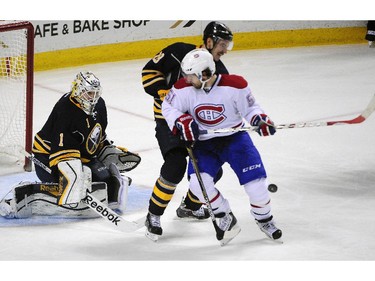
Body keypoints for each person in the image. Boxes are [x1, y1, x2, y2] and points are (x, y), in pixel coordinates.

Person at [161, 49, 282, 245]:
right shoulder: (183, 88)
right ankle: (223, 213)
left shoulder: (235, 85)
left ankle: (265, 219)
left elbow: (250, 109)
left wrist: (259, 120)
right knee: (198, 185)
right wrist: (180, 120)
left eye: (191, 75)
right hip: (203, 144)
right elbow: (167, 107)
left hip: (235, 139)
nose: (186, 79)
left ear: (205, 74)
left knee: (256, 186)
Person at [0, 71, 141, 218]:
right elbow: (63, 151)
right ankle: (26, 194)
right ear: (78, 91)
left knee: (106, 180)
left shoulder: (100, 104)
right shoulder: (66, 109)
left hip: (78, 154)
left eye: (95, 93)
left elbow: (97, 135)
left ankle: (89, 186)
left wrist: (107, 150)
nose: (93, 98)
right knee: (72, 182)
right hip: (48, 158)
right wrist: (77, 175)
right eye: (89, 93)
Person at [141, 21, 234, 240]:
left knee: (211, 170)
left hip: (196, 126)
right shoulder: (179, 51)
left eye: (228, 45)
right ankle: (153, 215)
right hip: (168, 120)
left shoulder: (219, 71)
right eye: (222, 44)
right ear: (209, 41)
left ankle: (190, 207)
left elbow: (223, 105)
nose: (225, 50)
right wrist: (163, 93)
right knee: (175, 165)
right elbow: (149, 72)